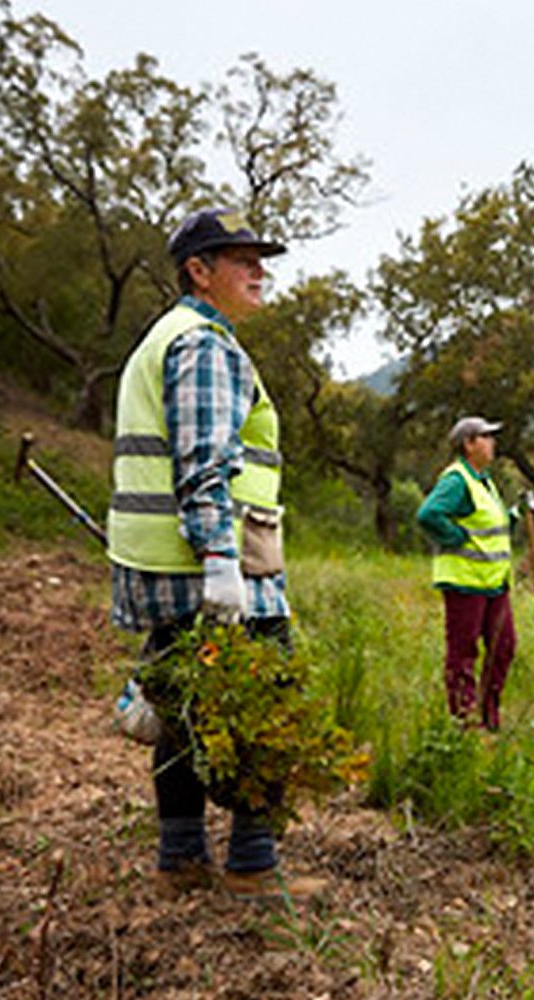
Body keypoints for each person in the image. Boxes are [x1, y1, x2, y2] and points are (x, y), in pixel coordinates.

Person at [107, 208, 324, 901]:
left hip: (165, 563)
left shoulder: (164, 339)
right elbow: (204, 464)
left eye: (261, 259)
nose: (259, 272)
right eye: (241, 260)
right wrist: (221, 564)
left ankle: (181, 859)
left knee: (179, 704)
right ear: (198, 272)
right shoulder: (204, 344)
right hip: (212, 565)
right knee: (267, 697)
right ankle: (253, 866)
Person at [416, 416, 520, 732]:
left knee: (504, 647)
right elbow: (428, 514)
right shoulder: (457, 480)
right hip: (465, 583)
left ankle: (489, 714)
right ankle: (465, 720)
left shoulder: (484, 481)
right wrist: (455, 537)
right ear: (469, 443)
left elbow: (491, 527)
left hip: (494, 583)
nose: (492, 442)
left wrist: (515, 516)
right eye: (486, 436)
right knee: (463, 654)